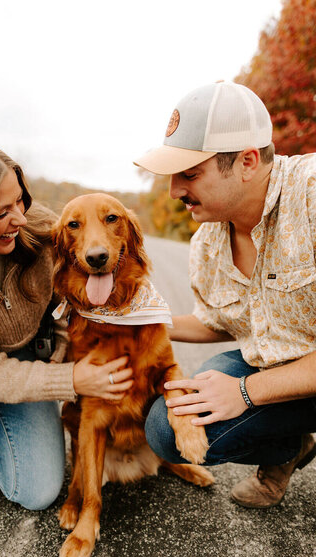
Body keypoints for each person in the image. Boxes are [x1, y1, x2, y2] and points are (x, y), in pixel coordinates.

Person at [0, 136, 133, 530]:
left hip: (25, 357)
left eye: (20, 200)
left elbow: (75, 301)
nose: (19, 218)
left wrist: (62, 349)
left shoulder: (39, 231)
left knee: (38, 492)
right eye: (2, 211)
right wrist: (69, 379)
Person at [134, 81, 316, 508]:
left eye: (190, 174)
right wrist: (146, 320)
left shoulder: (311, 196)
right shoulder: (207, 241)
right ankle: (289, 446)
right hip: (282, 369)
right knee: (167, 427)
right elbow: (219, 322)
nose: (175, 190)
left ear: (247, 162)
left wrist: (246, 392)